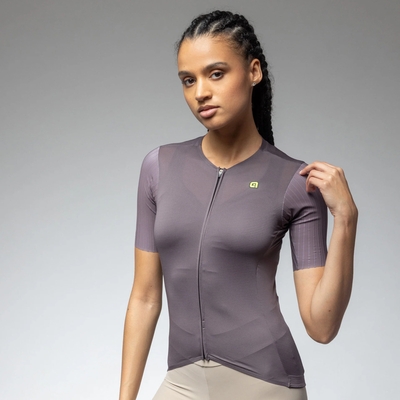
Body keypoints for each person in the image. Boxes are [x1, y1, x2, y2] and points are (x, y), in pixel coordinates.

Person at [119, 10, 358, 400]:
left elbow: (321, 326)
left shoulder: (295, 183)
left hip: (266, 385)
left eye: (216, 74)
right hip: (183, 383)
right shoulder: (159, 168)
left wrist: (346, 219)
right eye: (188, 80)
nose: (200, 92)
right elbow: (145, 297)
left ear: (253, 71)